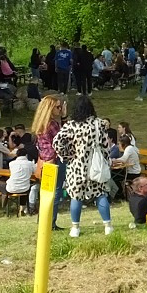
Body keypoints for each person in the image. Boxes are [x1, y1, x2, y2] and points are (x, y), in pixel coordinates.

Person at [53, 95, 115, 237]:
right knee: (100, 194)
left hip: (77, 166)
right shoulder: (99, 124)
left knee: (76, 196)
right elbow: (106, 147)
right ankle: (108, 225)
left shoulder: (71, 125)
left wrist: (68, 154)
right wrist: (107, 161)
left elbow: (57, 142)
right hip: (96, 166)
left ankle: (75, 228)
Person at [33, 94, 67, 227]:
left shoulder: (40, 124)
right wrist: (64, 117)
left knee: (46, 191)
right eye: (58, 107)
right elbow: (63, 138)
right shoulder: (52, 124)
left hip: (45, 160)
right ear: (50, 108)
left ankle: (43, 220)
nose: (60, 109)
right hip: (55, 160)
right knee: (56, 191)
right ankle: (50, 222)